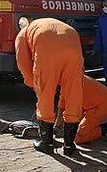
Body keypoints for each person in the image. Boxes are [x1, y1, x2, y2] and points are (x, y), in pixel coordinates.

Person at [15, 17, 84, 156]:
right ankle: (69, 145)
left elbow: (22, 61)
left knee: (45, 96)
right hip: (73, 42)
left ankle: (46, 144)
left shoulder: (22, 34)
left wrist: (32, 83)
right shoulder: (57, 24)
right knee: (74, 92)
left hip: (46, 46)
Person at [54, 75, 107, 144]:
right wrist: (56, 127)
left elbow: (70, 113)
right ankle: (93, 128)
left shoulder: (71, 84)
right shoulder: (70, 77)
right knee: (78, 127)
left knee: (78, 138)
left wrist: (57, 128)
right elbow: (62, 107)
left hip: (102, 105)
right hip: (102, 100)